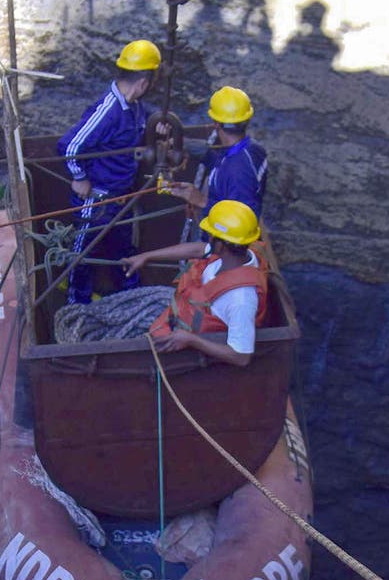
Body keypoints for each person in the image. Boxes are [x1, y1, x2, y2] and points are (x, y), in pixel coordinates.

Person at [57, 39, 162, 305]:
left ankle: (129, 298)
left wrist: (158, 121)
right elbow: (70, 146)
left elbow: (146, 114)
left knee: (122, 248)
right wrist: (79, 177)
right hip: (96, 199)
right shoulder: (107, 111)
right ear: (143, 84)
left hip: (119, 198)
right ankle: (76, 305)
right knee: (84, 253)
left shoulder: (134, 106)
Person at [121, 199, 268, 367]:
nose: (208, 238)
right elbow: (198, 249)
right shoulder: (234, 256)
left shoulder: (240, 299)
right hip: (174, 325)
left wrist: (191, 340)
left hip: (188, 349)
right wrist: (146, 256)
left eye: (211, 235)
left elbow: (241, 357)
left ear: (220, 245)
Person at [168, 86, 268, 225]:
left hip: (221, 241)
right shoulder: (252, 148)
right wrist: (189, 146)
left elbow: (238, 223)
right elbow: (224, 164)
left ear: (216, 123)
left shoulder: (238, 173)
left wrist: (201, 201)